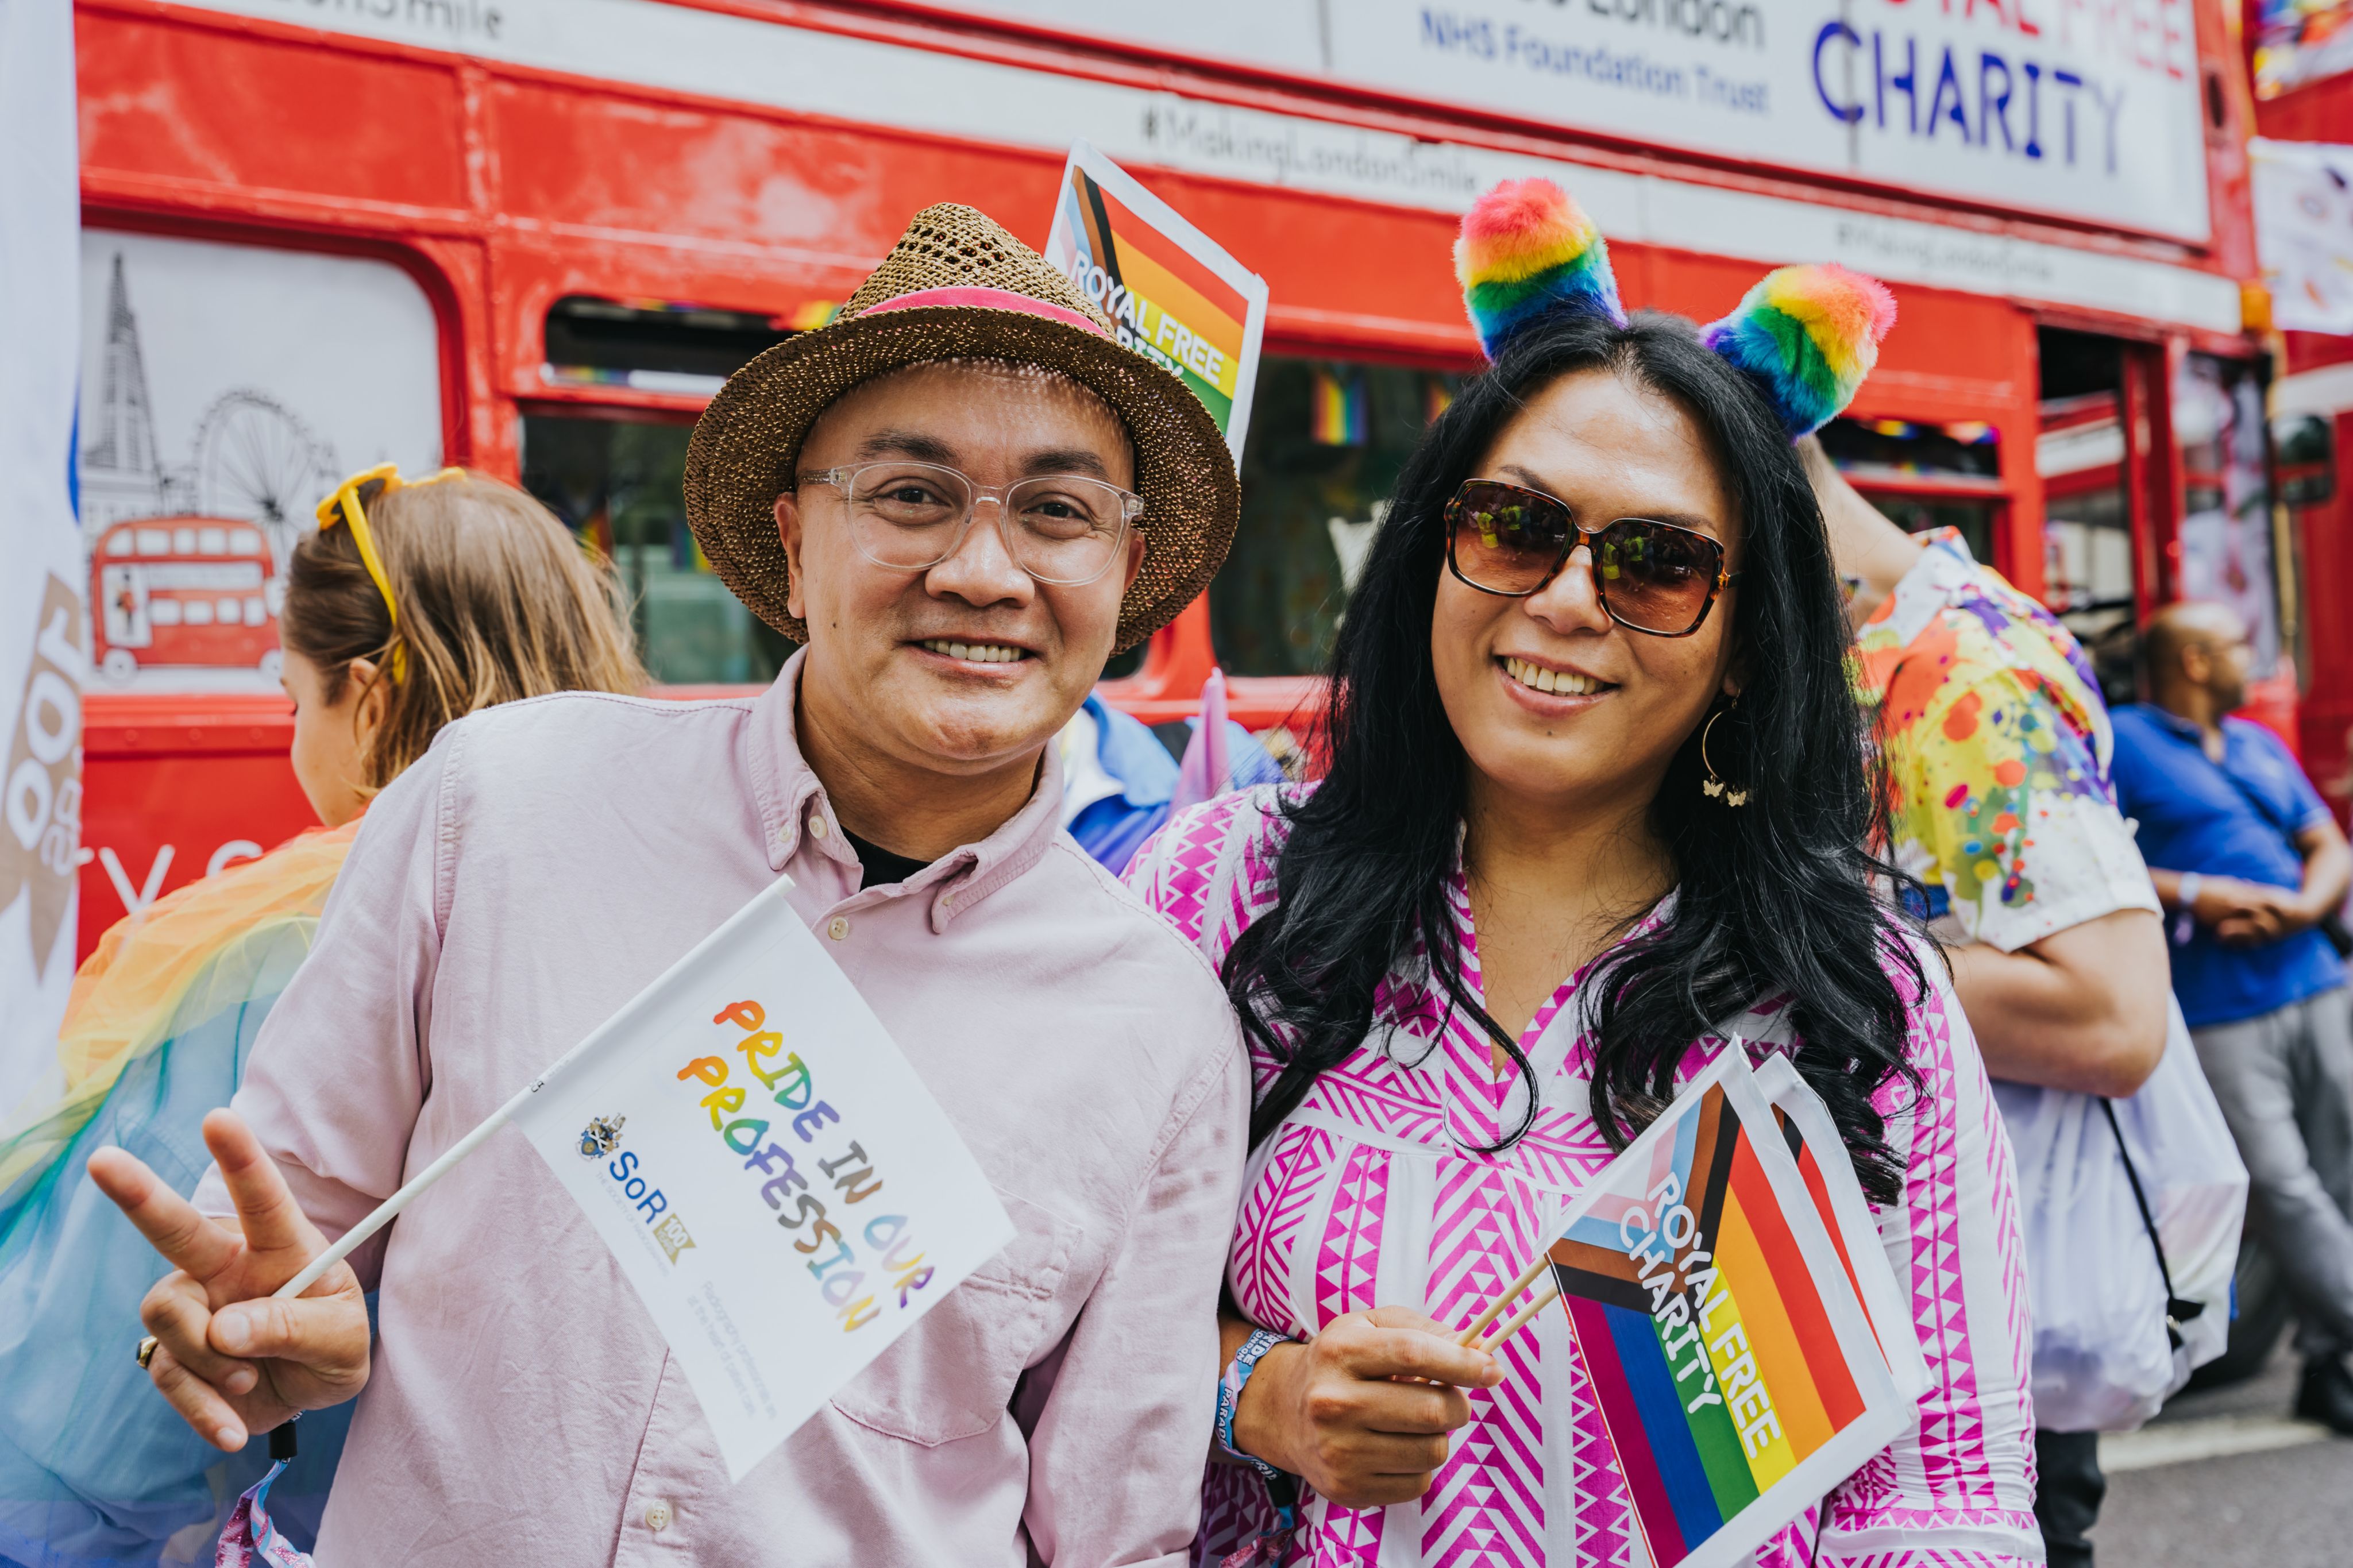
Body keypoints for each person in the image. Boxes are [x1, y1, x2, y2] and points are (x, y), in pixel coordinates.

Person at [87, 204, 1251, 1567]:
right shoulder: (497, 807)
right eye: (909, 495)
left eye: (1055, 512)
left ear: (1121, 574)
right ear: (792, 540)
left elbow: (1118, 1534)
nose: (981, 572)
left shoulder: (1159, 1030)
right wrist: (260, 1327)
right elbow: (283, 1235)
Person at [1130, 179, 2039, 1566]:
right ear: (1432, 550)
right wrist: (1251, 1394)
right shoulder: (1225, 891)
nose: (1563, 598)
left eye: (1655, 564)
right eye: (1514, 527)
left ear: (1743, 642)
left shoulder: (1864, 999)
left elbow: (1950, 1502)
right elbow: (1032, 1305)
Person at [0, 466, 645, 1566]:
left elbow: (82, 1419)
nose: (293, 736)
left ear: (373, 695)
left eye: (295, 701)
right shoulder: (662, 899)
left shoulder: (289, 944)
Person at [1808, 448, 2171, 1567]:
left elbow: (2111, 1018)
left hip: (1950, 1324)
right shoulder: (1877, 640)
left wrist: (1778, 947)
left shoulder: (1954, 669)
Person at [2109, 601, 2353, 1435]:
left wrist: (2297, 908)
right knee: (2283, 1185)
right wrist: (2196, 893)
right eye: (2240, 644)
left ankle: (2332, 1361)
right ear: (2197, 661)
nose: (2258, 657)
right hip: (2216, 1008)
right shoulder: (2124, 739)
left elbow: (2329, 844)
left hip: (2317, 980)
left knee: (2343, 1169)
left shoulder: (2257, 743)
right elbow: (2094, 855)